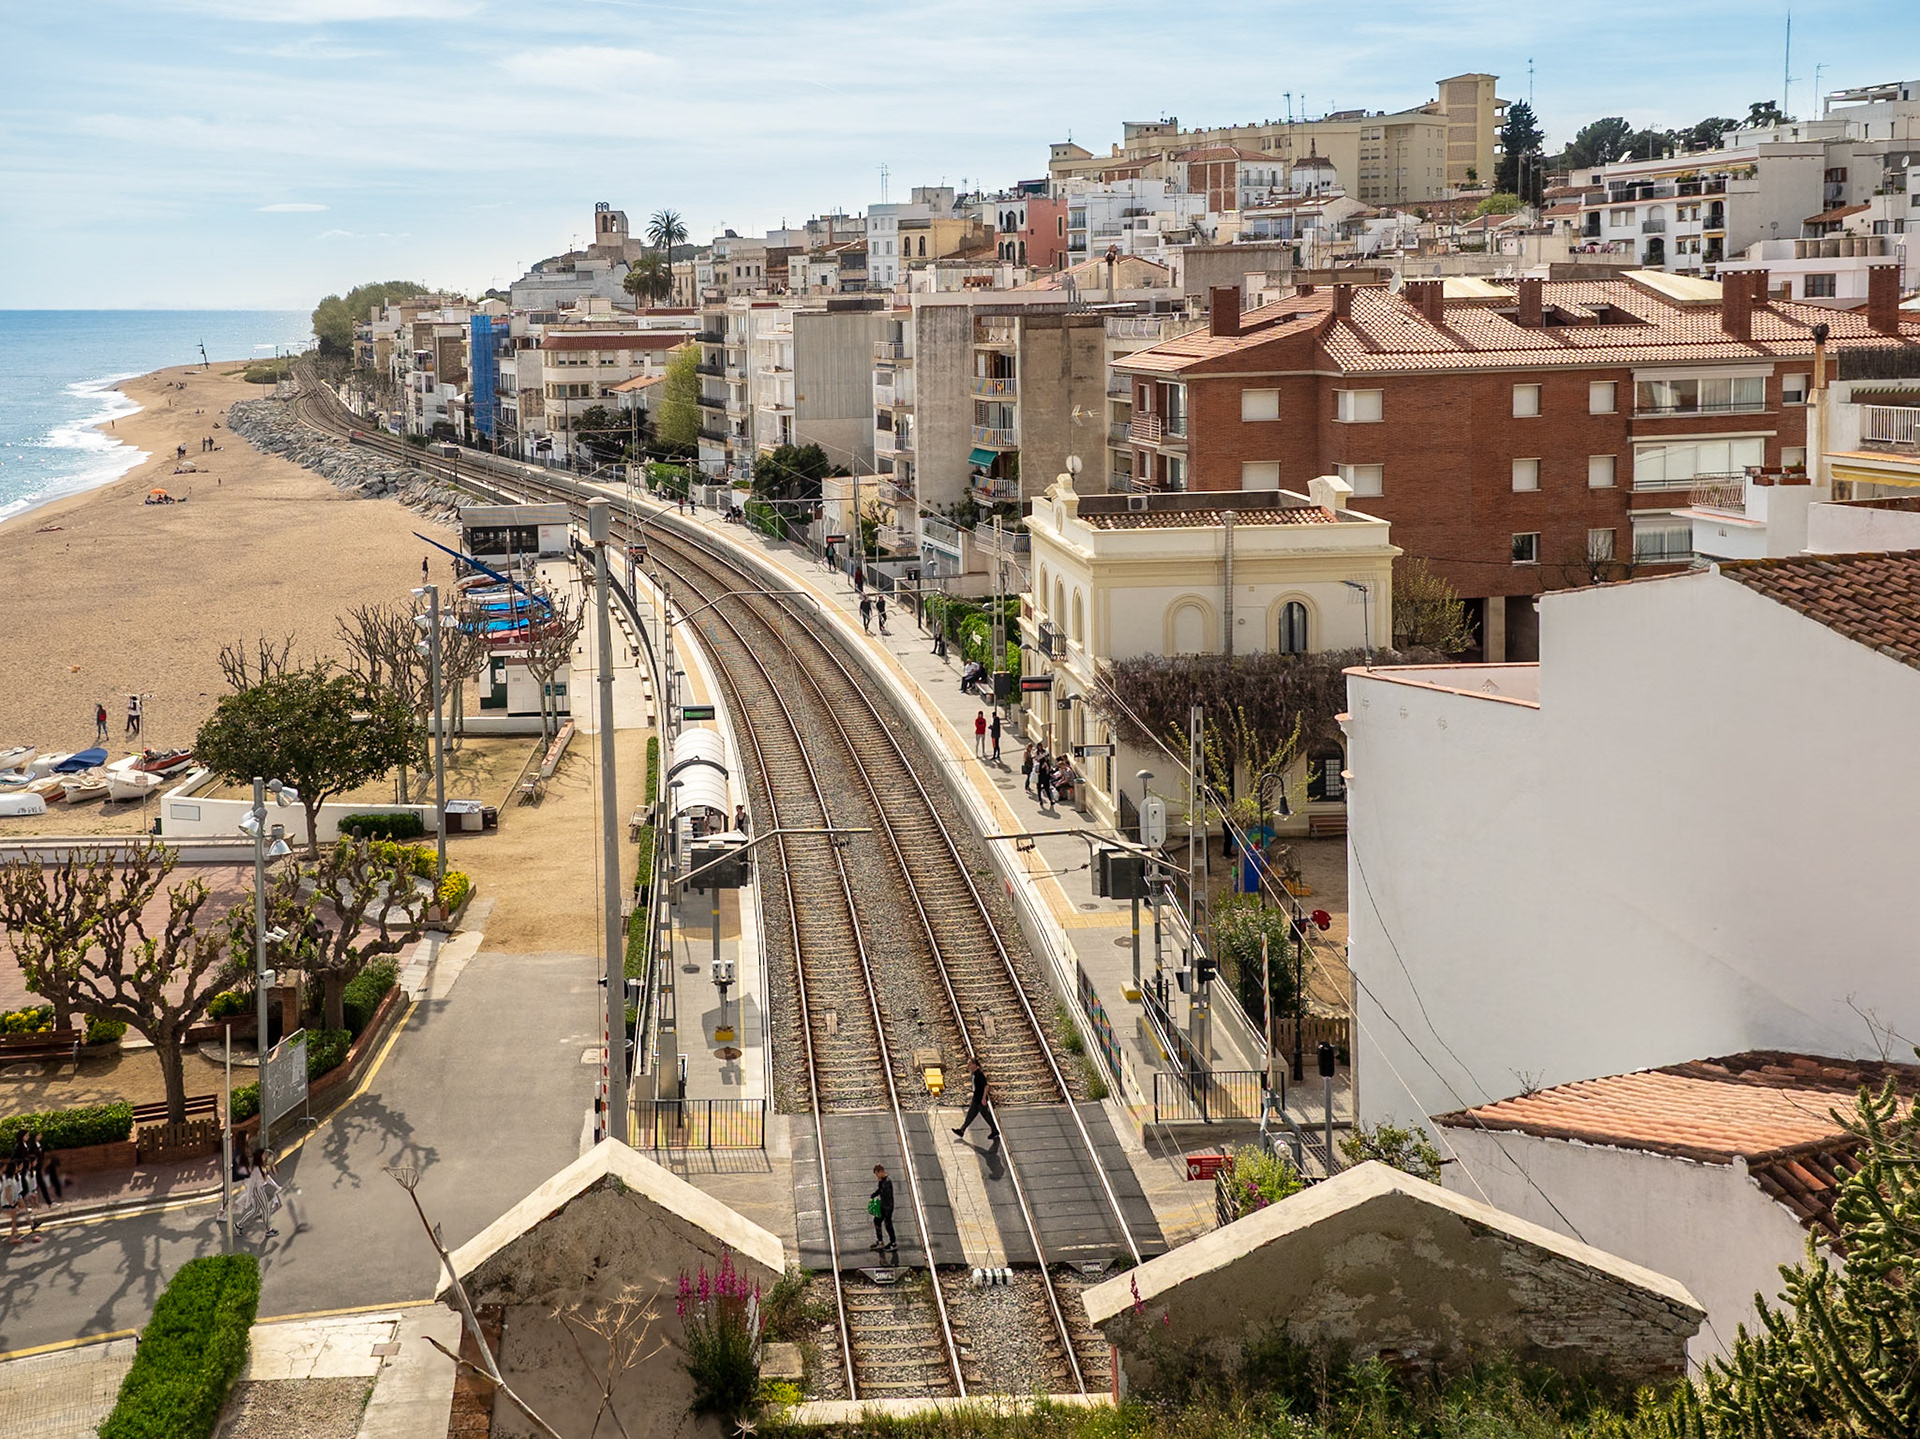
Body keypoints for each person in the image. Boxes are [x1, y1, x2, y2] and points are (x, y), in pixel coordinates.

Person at [952, 1057, 998, 1141]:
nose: (968, 1065)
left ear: (974, 1065)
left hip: (980, 1099)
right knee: (970, 1115)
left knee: (986, 1115)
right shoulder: (973, 1073)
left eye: (969, 1064)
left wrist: (984, 1098)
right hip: (976, 1098)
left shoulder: (979, 1074)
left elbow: (986, 1086)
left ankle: (995, 1130)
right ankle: (962, 1130)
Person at [869, 1164, 896, 1252]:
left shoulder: (887, 1181)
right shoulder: (882, 1181)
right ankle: (880, 1241)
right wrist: (874, 1195)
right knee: (877, 1221)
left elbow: (884, 1193)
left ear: (881, 1172)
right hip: (883, 1206)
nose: (877, 1176)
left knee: (888, 1225)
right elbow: (880, 1190)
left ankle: (893, 1243)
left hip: (887, 1207)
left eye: (877, 1174)